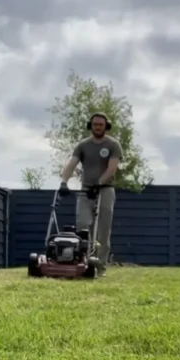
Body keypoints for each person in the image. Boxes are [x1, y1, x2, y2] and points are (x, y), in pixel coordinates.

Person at [58, 112, 123, 273]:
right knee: (82, 224)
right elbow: (71, 163)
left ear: (106, 126)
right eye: (95, 124)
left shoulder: (113, 145)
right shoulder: (83, 145)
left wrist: (99, 183)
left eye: (101, 125)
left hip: (105, 190)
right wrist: (64, 182)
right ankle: (82, 261)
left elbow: (112, 168)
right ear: (90, 126)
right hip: (86, 190)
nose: (98, 127)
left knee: (103, 229)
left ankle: (100, 265)